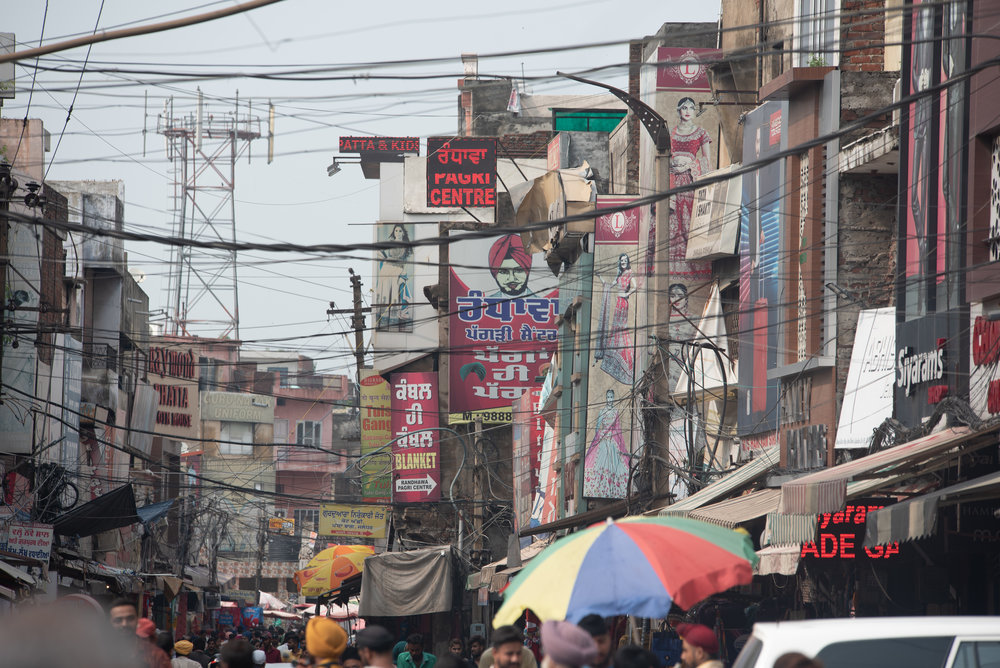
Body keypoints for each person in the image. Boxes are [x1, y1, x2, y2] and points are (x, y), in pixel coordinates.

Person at [593, 252, 636, 384]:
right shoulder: (619, 274)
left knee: (621, 328)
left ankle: (624, 355)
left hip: (623, 302)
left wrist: (626, 294)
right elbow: (609, 285)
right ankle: (613, 352)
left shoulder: (630, 272)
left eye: (625, 260)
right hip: (618, 302)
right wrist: (599, 277)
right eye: (621, 260)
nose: (623, 262)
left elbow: (636, 287)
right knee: (615, 328)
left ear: (627, 262)